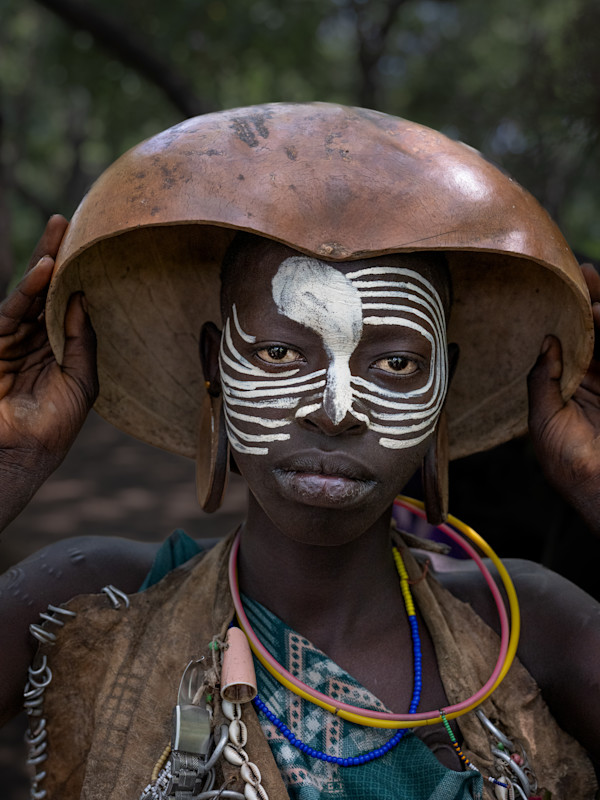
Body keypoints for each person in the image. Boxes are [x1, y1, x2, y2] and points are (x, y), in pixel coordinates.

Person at [1, 103, 600, 800]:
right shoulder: (96, 599)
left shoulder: (528, 627)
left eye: (397, 364)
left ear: (445, 385)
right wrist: (11, 462)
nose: (334, 411)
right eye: (281, 354)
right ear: (214, 364)